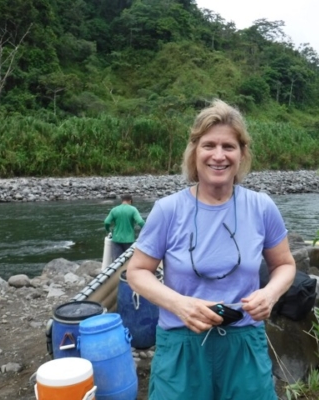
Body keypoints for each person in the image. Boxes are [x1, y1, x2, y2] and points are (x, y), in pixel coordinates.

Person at [126, 99, 296, 400]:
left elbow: (284, 264)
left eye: (228, 146)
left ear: (242, 153)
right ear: (195, 152)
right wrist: (179, 304)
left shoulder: (261, 207)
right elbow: (137, 271)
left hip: (244, 341)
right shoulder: (168, 210)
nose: (219, 156)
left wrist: (270, 294)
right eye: (209, 145)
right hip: (181, 342)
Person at [104, 194, 145, 261]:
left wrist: (108, 230)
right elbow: (140, 222)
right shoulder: (133, 209)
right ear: (130, 200)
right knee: (129, 261)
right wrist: (147, 231)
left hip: (116, 239)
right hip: (129, 240)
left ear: (122, 200)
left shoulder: (114, 210)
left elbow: (106, 222)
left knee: (116, 262)